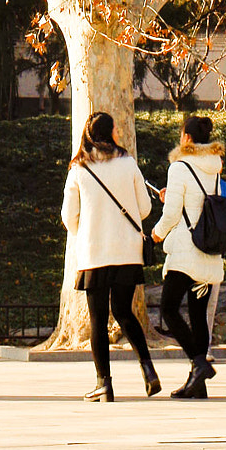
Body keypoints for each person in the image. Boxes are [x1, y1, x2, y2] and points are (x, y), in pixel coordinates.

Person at [60, 109, 162, 402]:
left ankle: (104, 383)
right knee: (124, 311)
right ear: (109, 134)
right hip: (127, 253)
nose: (119, 133)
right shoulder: (128, 163)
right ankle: (148, 369)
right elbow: (144, 209)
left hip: (95, 254)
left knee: (98, 318)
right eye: (116, 129)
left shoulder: (78, 169)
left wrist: (90, 228)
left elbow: (69, 217)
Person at [151, 112, 225, 399]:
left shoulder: (180, 166)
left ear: (187, 138)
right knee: (197, 315)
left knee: (168, 309)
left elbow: (172, 215)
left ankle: (198, 363)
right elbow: (198, 201)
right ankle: (198, 383)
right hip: (208, 250)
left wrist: (156, 234)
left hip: (185, 251)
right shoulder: (214, 168)